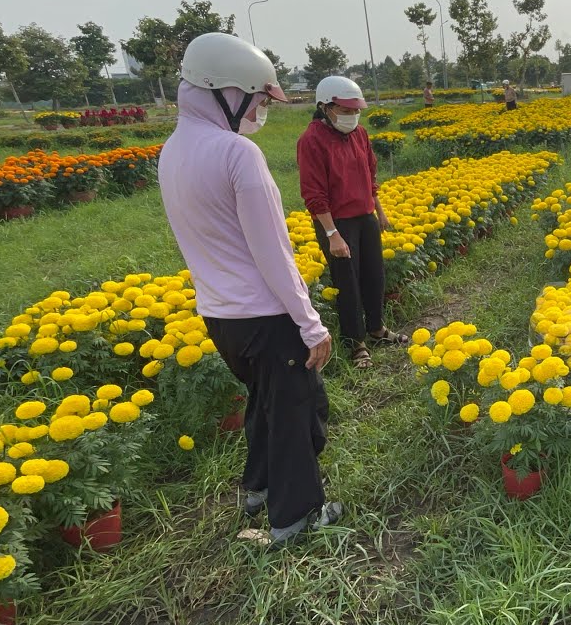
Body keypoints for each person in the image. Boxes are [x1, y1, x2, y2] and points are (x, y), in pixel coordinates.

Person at [158, 32, 341, 547]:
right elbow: (273, 251)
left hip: (221, 317)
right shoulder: (237, 153)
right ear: (225, 91)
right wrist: (311, 324)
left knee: (264, 401)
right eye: (259, 99)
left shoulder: (173, 151)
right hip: (266, 315)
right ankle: (296, 517)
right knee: (296, 411)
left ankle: (257, 489)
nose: (261, 111)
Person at [297, 76, 409, 370]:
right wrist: (332, 234)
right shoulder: (311, 140)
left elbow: (369, 175)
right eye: (345, 111)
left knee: (374, 274)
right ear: (325, 107)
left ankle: (376, 328)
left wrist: (379, 211)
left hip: (365, 216)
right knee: (348, 282)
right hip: (336, 223)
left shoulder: (359, 134)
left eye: (355, 111)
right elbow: (314, 192)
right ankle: (356, 343)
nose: (352, 116)